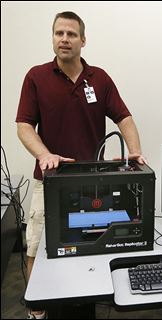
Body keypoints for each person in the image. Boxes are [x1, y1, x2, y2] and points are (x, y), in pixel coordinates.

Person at [16, 11, 145, 319]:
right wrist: (44, 154)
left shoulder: (98, 78)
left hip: (90, 184)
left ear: (83, 41)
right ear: (52, 38)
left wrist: (135, 151)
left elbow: (124, 117)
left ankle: (81, 300)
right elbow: (23, 125)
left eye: (71, 34)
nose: (64, 39)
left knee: (87, 247)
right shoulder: (37, 76)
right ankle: (37, 311)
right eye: (59, 33)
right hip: (48, 182)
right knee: (37, 248)